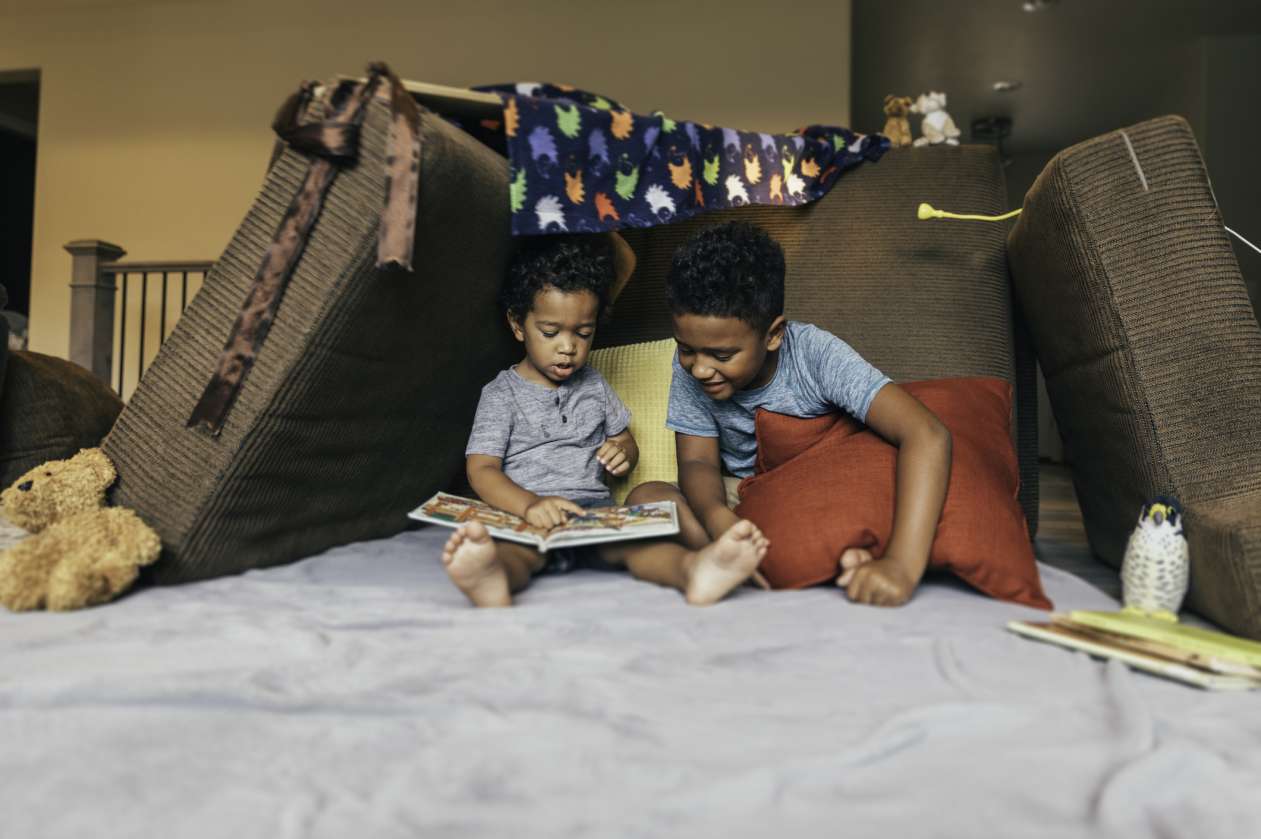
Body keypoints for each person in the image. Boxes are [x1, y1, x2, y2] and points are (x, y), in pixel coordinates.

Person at [634, 221, 953, 607]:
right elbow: (698, 461)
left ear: (773, 335)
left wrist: (901, 566)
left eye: (722, 356)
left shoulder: (816, 356)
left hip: (811, 495)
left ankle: (772, 559)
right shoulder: (695, 363)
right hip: (735, 496)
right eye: (686, 349)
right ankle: (723, 560)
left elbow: (927, 434)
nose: (700, 369)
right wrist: (718, 516)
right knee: (645, 496)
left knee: (872, 495)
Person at [441, 235, 768, 608]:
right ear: (518, 325)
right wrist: (530, 505)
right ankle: (492, 578)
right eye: (551, 333)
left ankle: (694, 569)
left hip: (592, 514)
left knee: (641, 544)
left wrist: (622, 451)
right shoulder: (501, 394)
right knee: (513, 553)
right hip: (525, 515)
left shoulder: (593, 385)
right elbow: (481, 469)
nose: (568, 347)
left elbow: (625, 440)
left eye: (583, 333)